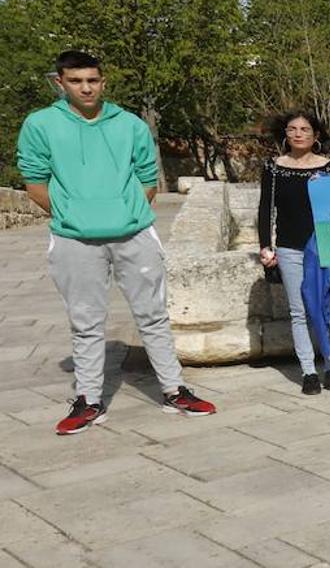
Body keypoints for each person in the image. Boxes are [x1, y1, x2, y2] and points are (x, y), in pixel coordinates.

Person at [17, 50, 216, 435]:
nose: (86, 87)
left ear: (103, 82)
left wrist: (126, 213)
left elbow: (146, 177)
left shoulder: (129, 124)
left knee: (153, 315)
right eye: (76, 81)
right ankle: (89, 400)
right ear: (60, 83)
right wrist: (73, 214)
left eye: (93, 80)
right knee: (86, 321)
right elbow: (34, 182)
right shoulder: (40, 124)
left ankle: (174, 390)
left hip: (133, 233)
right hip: (75, 239)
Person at [257, 111, 330, 395]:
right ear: (285, 134)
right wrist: (265, 246)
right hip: (290, 247)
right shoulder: (274, 167)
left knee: (326, 306)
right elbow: (265, 208)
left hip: (325, 246)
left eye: (305, 129)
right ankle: (308, 371)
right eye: (292, 129)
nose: (298, 134)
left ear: (315, 135)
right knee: (299, 311)